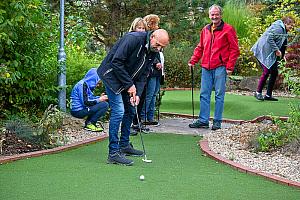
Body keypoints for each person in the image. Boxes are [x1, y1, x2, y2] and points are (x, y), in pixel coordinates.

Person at [97, 29, 169, 166]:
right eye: (158, 44)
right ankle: (113, 153)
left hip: (126, 79)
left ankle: (124, 145)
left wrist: (137, 94)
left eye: (162, 47)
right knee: (118, 111)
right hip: (110, 75)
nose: (159, 49)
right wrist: (129, 85)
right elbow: (116, 62)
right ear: (152, 36)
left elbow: (144, 74)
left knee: (131, 109)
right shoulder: (133, 39)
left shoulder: (153, 52)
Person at [188, 4, 240, 130]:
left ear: (221, 15)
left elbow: (234, 49)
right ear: (209, 15)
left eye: (216, 14)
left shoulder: (228, 29)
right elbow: (200, 47)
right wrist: (193, 61)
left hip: (220, 67)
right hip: (206, 67)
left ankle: (217, 121)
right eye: (212, 14)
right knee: (204, 94)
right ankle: (203, 120)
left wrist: (230, 67)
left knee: (219, 95)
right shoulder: (205, 29)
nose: (214, 16)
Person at [251, 16, 294, 101]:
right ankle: (258, 92)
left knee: (274, 72)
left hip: (268, 53)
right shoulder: (279, 29)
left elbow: (283, 43)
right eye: (290, 26)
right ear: (285, 23)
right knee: (266, 71)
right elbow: (269, 38)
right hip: (262, 51)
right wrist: (276, 50)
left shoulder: (284, 30)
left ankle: (268, 95)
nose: (291, 28)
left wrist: (282, 55)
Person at [140, 14, 164, 126]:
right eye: (156, 23)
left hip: (158, 72)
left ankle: (150, 117)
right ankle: (143, 117)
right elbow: (149, 53)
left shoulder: (155, 36)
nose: (157, 25)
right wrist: (156, 63)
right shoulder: (148, 36)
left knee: (154, 94)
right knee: (149, 94)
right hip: (151, 71)